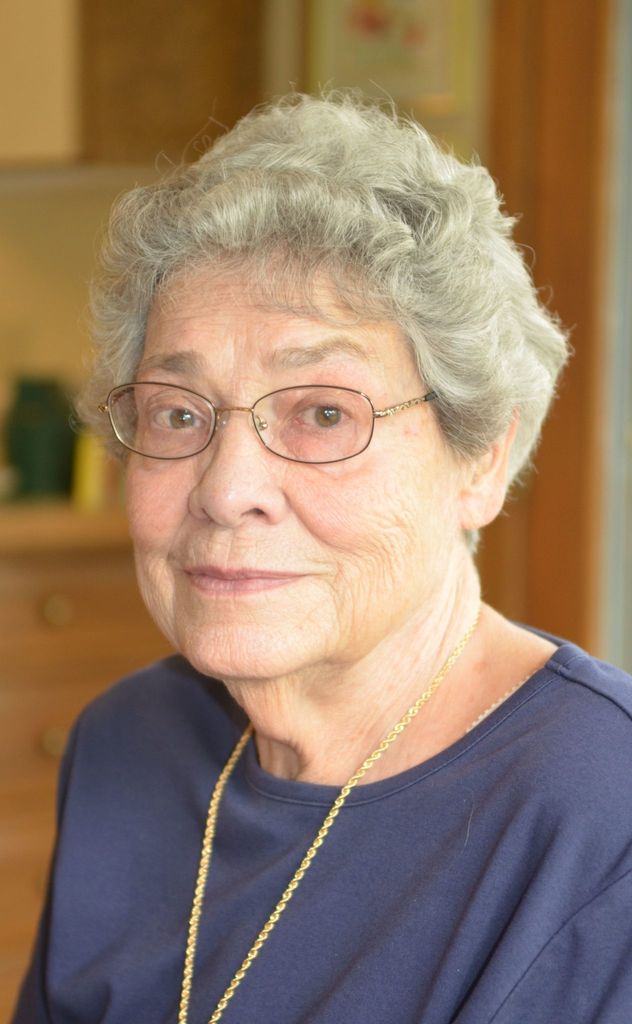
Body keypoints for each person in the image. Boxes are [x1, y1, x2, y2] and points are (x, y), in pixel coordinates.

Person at [12, 93, 632, 1024]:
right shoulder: (126, 742)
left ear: (480, 459)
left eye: (324, 413)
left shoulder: (606, 820)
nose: (227, 489)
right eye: (178, 413)